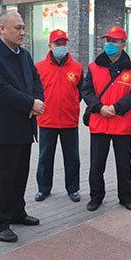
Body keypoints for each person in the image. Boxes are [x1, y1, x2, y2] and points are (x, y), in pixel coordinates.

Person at [0, 11, 45, 243]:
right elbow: (0, 90)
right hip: (4, 128)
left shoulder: (24, 55)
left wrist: (37, 101)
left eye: (23, 27)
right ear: (2, 29)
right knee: (1, 178)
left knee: (19, 174)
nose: (22, 32)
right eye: (17, 28)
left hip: (25, 125)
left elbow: (36, 80)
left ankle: (17, 212)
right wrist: (30, 103)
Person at [82, 26, 131, 212]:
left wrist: (116, 108)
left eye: (114, 41)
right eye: (108, 41)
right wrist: (99, 108)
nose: (110, 44)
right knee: (96, 164)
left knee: (123, 163)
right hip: (99, 122)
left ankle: (126, 197)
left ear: (123, 44)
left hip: (122, 123)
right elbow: (86, 90)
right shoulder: (94, 67)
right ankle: (96, 197)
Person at [34, 29, 83, 203]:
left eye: (64, 43)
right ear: (50, 45)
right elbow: (35, 91)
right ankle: (43, 188)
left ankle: (73, 189)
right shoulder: (39, 67)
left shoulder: (77, 68)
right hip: (47, 120)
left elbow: (80, 91)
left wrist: (71, 105)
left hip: (70, 120)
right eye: (57, 43)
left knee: (72, 158)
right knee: (45, 158)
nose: (61, 46)